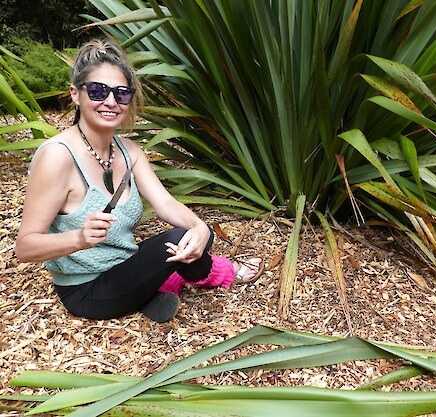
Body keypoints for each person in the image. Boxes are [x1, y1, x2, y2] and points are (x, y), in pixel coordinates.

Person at [15, 38, 263, 323]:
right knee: (176, 239)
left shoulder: (129, 151)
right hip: (87, 290)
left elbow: (165, 203)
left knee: (191, 232)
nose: (110, 102)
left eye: (121, 94)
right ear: (75, 94)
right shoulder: (57, 157)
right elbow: (25, 247)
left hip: (127, 265)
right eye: (97, 91)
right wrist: (79, 238)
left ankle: (158, 285)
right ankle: (211, 273)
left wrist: (200, 228)